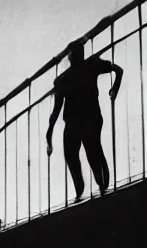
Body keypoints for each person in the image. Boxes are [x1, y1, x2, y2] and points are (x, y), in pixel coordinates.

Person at [46, 40, 123, 200]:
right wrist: (115, 88)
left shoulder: (64, 78)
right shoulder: (91, 65)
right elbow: (118, 70)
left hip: (79, 121)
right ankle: (99, 186)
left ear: (70, 57)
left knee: (81, 153)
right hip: (89, 118)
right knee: (91, 151)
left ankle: (88, 188)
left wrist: (49, 134)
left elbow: (56, 111)